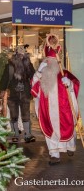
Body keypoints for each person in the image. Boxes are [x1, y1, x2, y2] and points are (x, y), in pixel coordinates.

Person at [31, 35, 80, 165]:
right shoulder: (42, 75)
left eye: (50, 61)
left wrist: (69, 83)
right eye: (46, 61)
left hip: (64, 109)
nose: (48, 63)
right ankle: (54, 154)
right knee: (50, 130)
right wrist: (38, 72)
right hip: (47, 109)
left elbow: (75, 85)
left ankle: (70, 147)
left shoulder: (65, 74)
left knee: (67, 128)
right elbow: (34, 89)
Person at [0, 46, 36, 143]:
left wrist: (28, 65)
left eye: (22, 54)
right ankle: (15, 134)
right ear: (15, 55)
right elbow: (4, 79)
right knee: (13, 115)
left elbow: (33, 75)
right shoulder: (10, 66)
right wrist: (2, 91)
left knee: (26, 114)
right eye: (19, 54)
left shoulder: (28, 65)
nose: (21, 56)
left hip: (25, 94)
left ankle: (27, 134)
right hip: (13, 94)